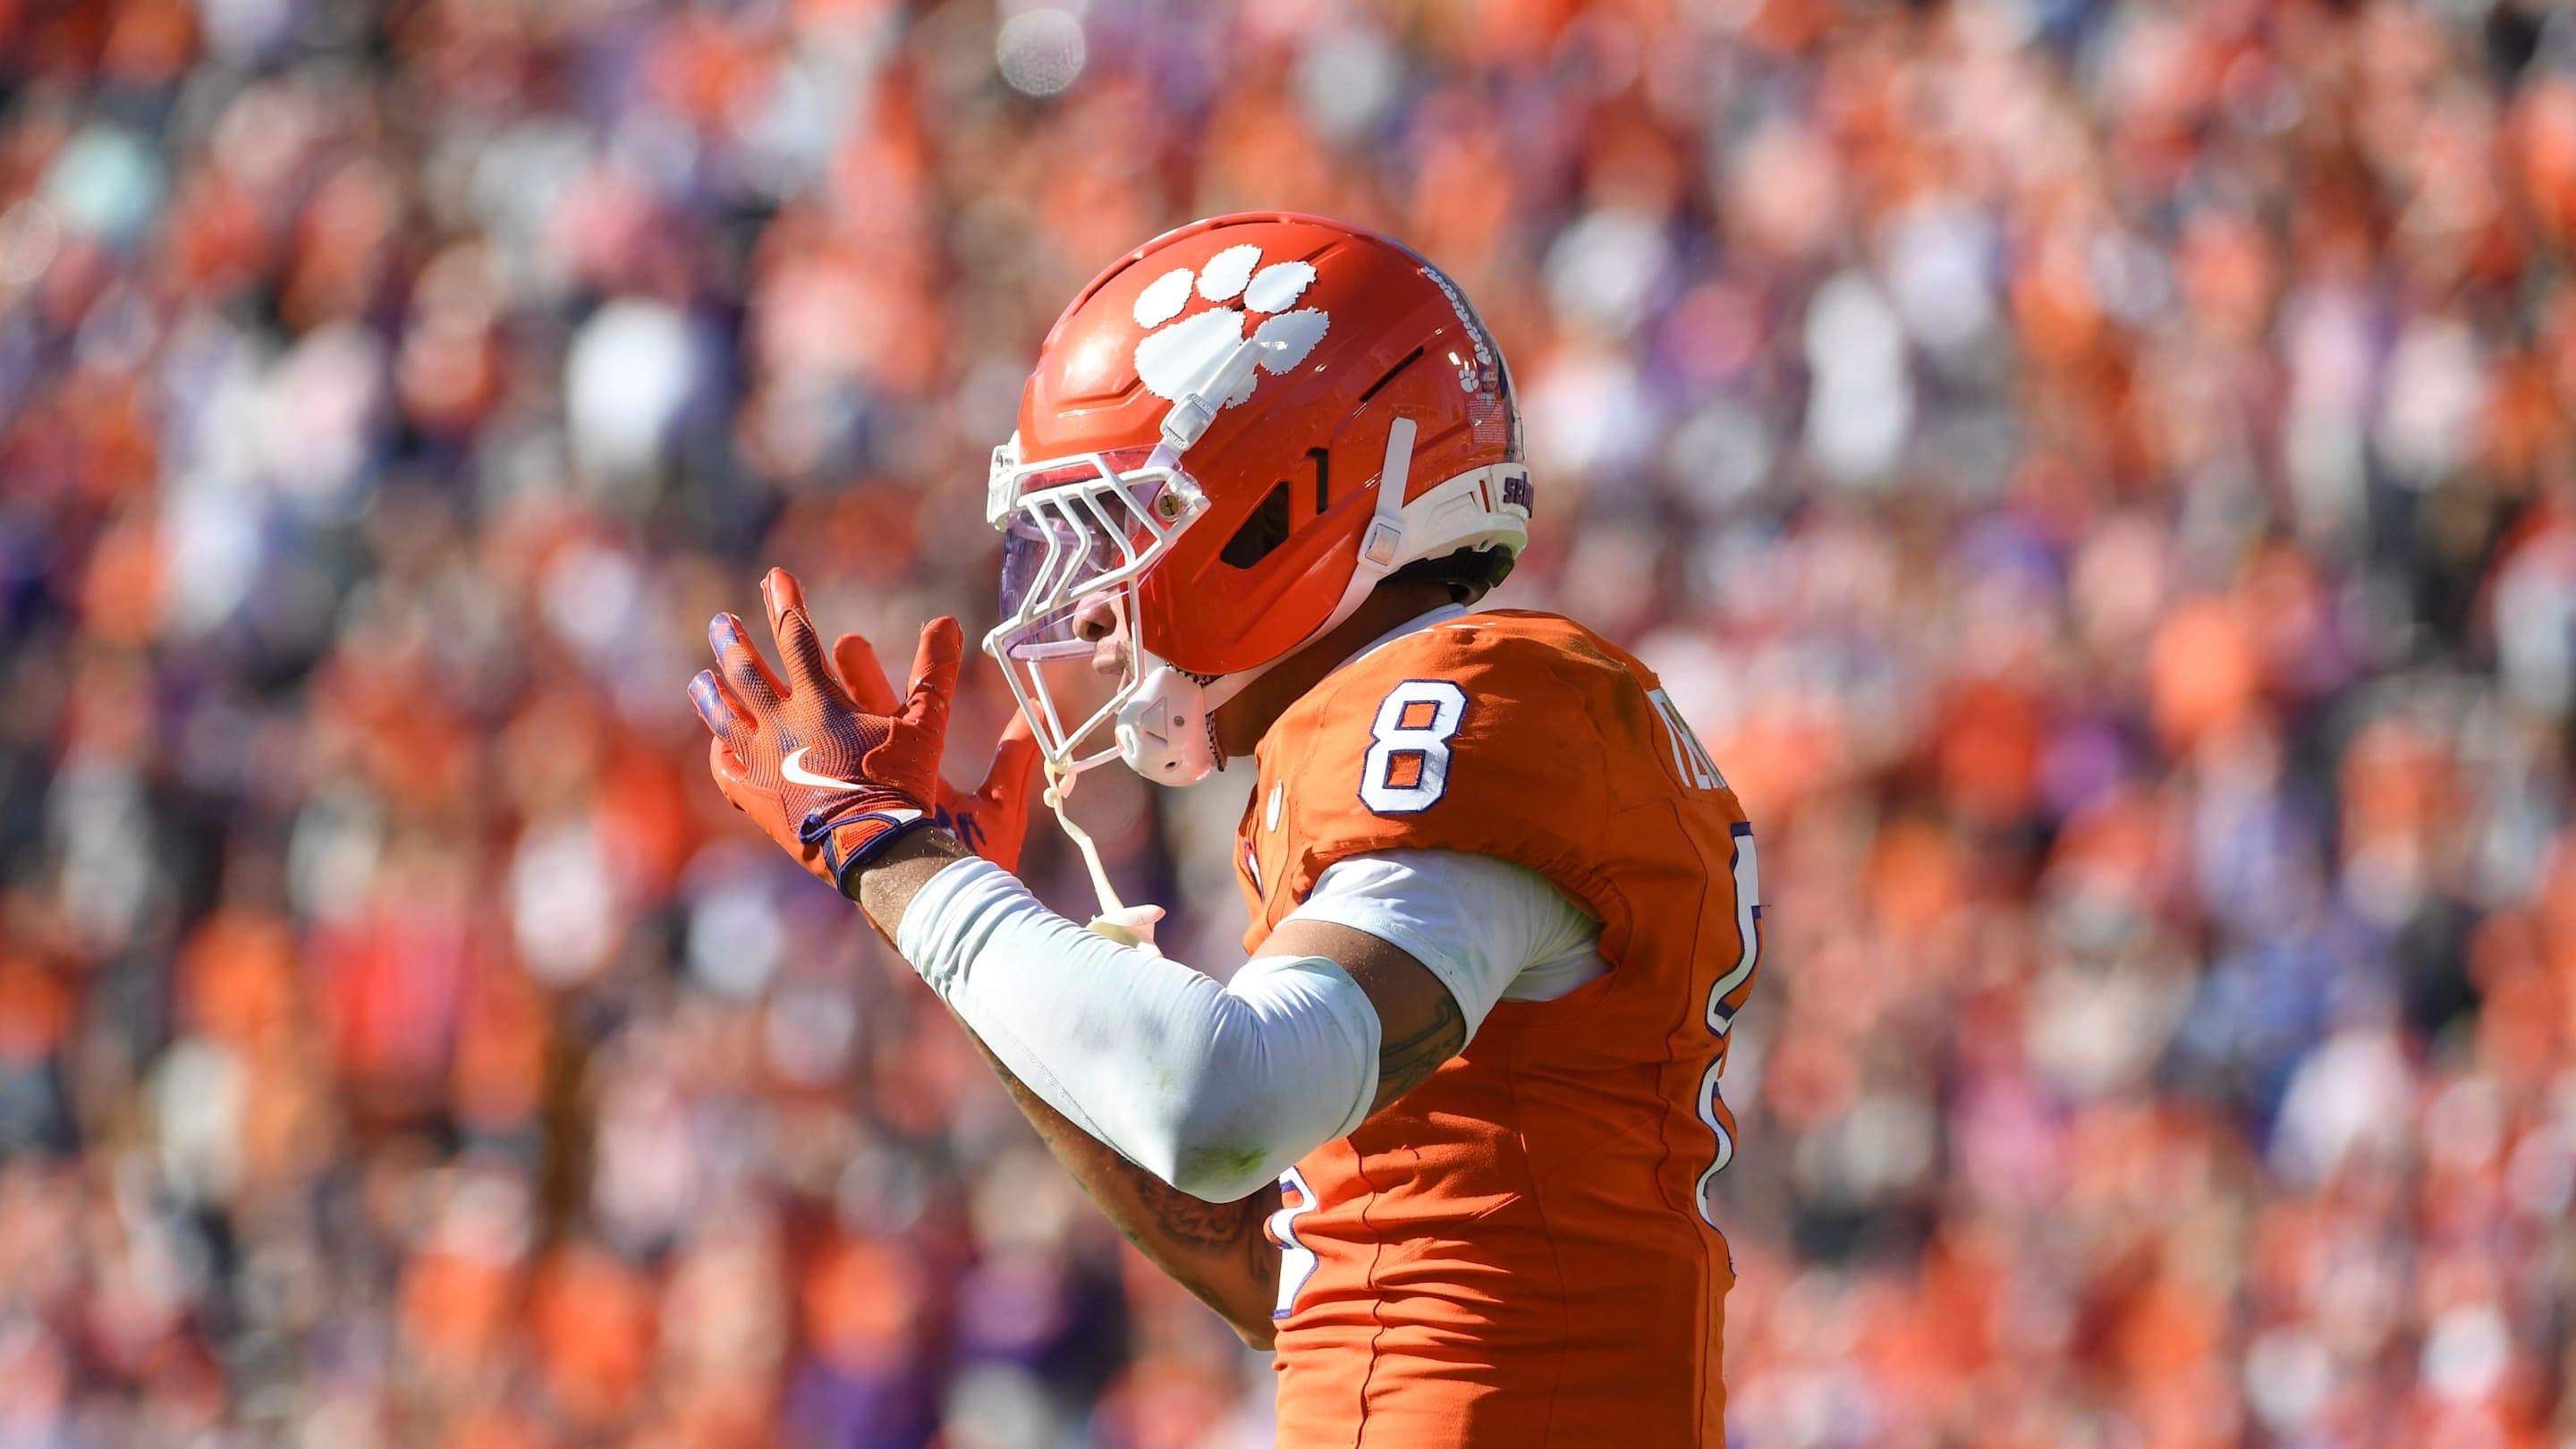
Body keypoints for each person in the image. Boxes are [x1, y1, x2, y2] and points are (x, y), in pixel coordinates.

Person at [688, 213, 1763, 1445]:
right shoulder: (1400, 734)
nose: (1085, 611)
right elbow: (1272, 1265)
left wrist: (891, 858)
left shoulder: (1475, 700)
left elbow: (1218, 1104)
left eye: (1117, 530)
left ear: (1284, 502)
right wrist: (952, 931)